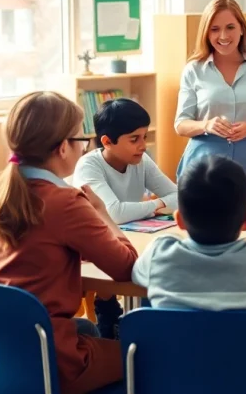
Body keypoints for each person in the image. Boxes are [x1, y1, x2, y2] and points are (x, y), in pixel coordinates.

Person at [0, 92, 138, 394]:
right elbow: (127, 266)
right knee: (144, 353)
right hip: (49, 359)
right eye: (81, 139)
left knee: (88, 329)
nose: (85, 146)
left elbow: (24, 255)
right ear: (63, 148)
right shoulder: (64, 201)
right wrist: (103, 215)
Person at [131, 155, 246, 310]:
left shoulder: (159, 255)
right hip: (245, 349)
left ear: (179, 220)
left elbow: (136, 274)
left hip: (174, 348)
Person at [72, 97, 177, 337]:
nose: (143, 145)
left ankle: (131, 323)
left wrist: (151, 204)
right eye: (134, 139)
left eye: (144, 136)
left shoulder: (140, 160)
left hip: (133, 237)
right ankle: (108, 312)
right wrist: (157, 204)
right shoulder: (89, 166)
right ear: (107, 142)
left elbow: (179, 196)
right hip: (97, 244)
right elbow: (113, 214)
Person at [174, 0, 246, 201]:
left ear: (241, 28)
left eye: (230, 27)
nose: (223, 36)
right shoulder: (193, 70)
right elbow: (180, 124)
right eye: (214, 29)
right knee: (202, 226)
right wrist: (206, 125)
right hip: (202, 165)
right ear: (206, 32)